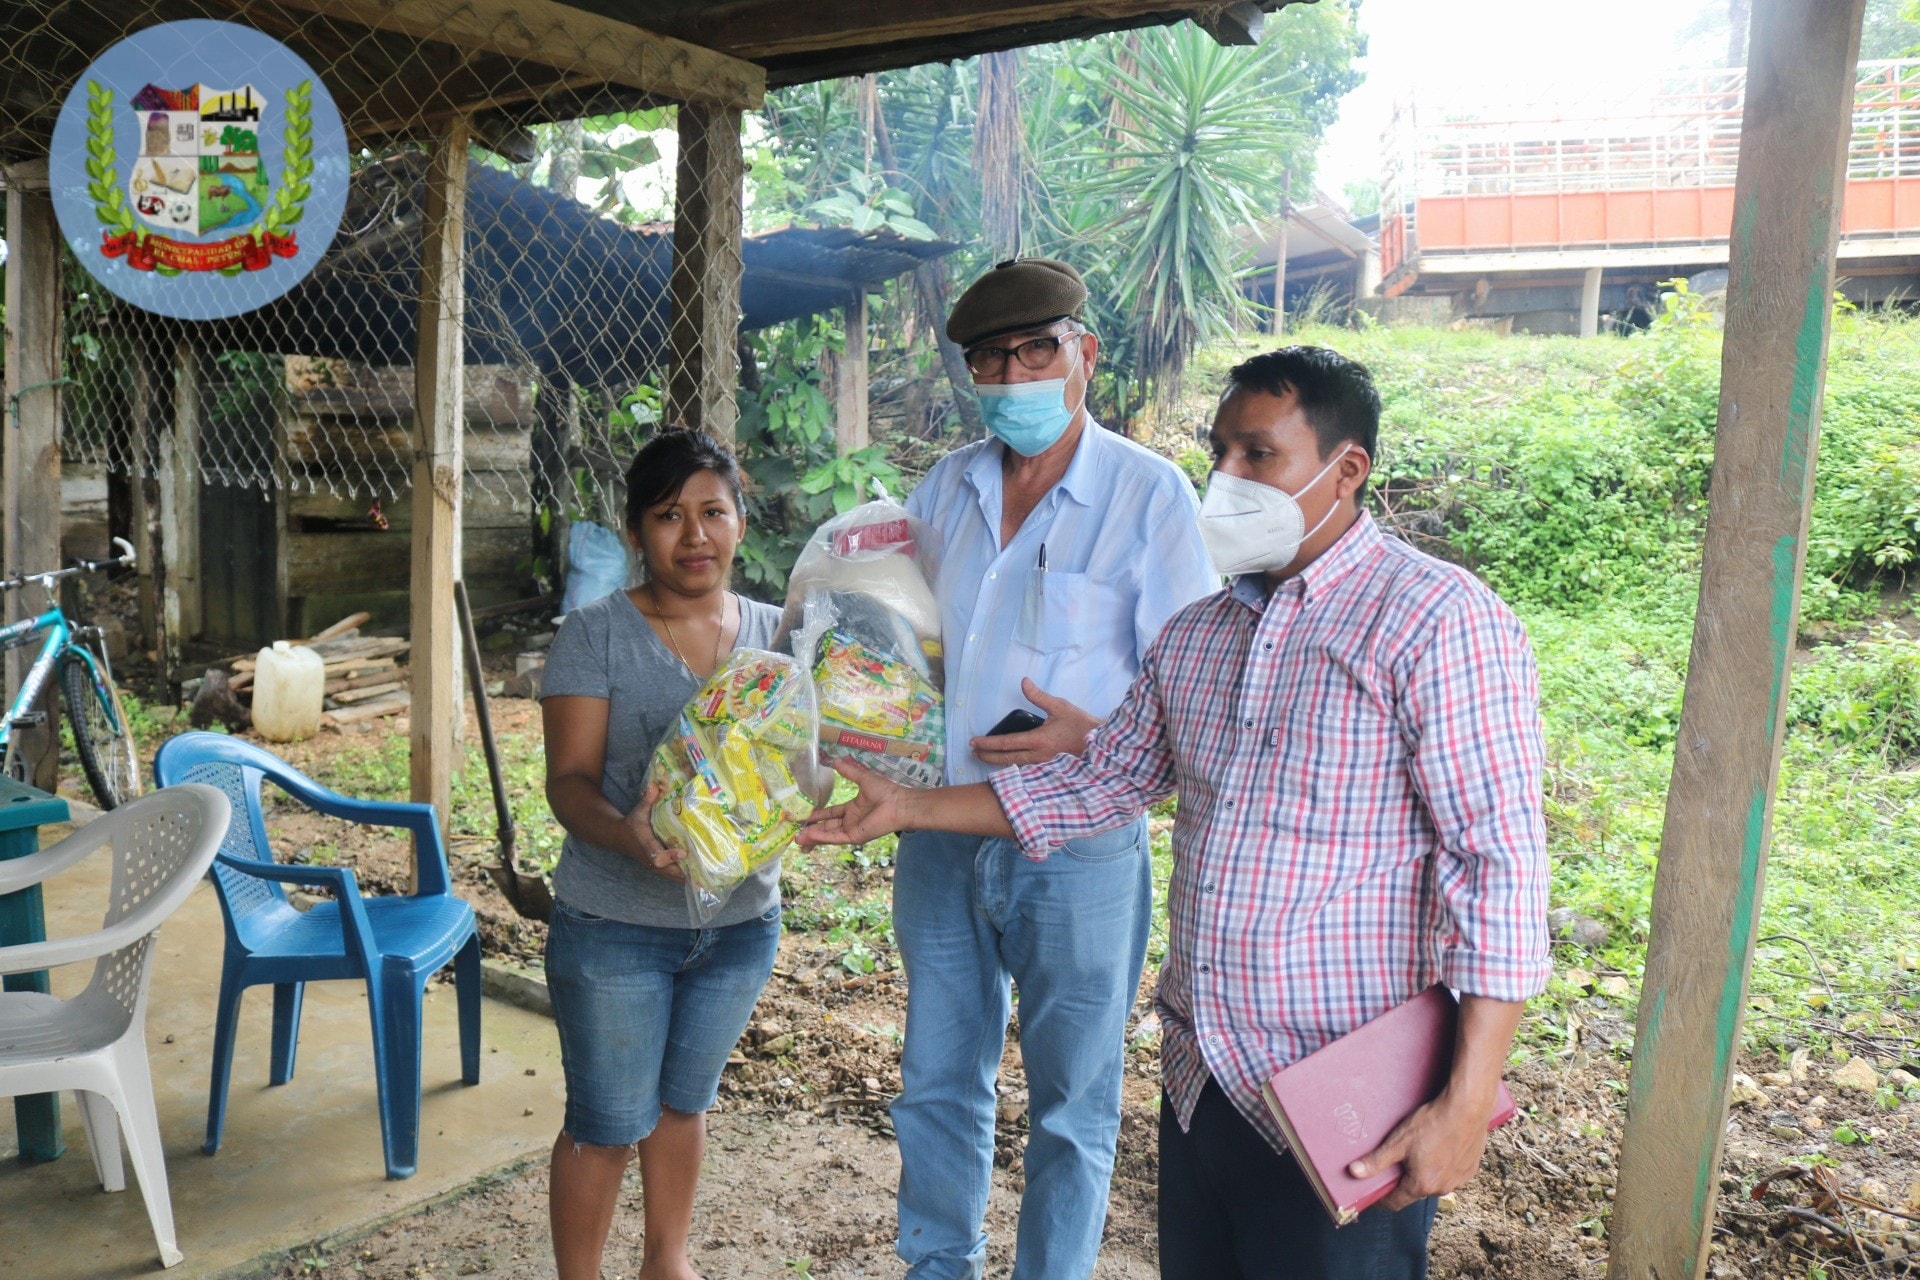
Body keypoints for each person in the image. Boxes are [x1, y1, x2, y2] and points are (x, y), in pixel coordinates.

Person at [806, 346, 1551, 1280]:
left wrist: (1468, 1097)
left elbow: (1499, 867)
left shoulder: (1437, 622)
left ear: (1346, 469)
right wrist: (908, 804)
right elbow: (1095, 782)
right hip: (1205, 1083)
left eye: (1258, 456)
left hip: (1347, 1096)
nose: (1225, 480)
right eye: (1220, 453)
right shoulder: (1199, 635)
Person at [890, 258, 1218, 1280]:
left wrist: (1098, 731)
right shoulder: (944, 487)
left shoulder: (1149, 494)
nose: (1015, 372)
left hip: (1078, 848)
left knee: (1074, 1101)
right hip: (942, 830)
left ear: (1085, 353)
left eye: (1037, 348)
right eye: (992, 356)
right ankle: (938, 1265)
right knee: (938, 1078)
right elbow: (899, 647)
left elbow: (1192, 681)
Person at [539, 427, 784, 1280]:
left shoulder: (779, 634)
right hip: (614, 926)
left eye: (713, 512)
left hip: (742, 926)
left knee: (684, 1106)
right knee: (608, 1123)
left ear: (741, 522)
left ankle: (666, 1265)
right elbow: (568, 783)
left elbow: (805, 765)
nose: (695, 536)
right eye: (668, 515)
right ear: (638, 530)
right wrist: (627, 833)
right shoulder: (595, 635)